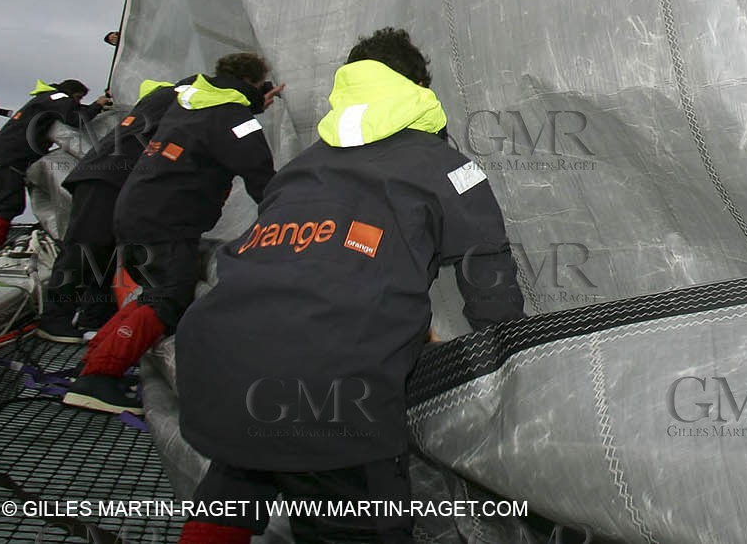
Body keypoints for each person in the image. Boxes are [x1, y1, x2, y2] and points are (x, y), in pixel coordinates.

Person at [172, 27, 525, 544]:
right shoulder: (443, 166)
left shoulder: (301, 167)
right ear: (418, 88)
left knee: (243, 469)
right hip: (335, 393)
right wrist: (508, 357)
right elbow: (486, 267)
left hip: (214, 359)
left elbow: (302, 262)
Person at [62, 54, 279, 414]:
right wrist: (286, 221)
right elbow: (260, 173)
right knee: (169, 298)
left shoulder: (186, 104)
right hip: (166, 222)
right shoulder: (235, 118)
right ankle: (98, 378)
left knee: (153, 294)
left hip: (133, 213)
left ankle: (95, 363)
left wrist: (251, 100)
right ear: (251, 82)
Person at [36, 77, 188, 343]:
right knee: (83, 248)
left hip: (112, 181)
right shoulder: (172, 101)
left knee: (105, 251)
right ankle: (54, 318)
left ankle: (94, 316)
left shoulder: (154, 104)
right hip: (104, 180)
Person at [0, 80, 112, 256]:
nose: (77, 103)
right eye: (78, 98)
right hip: (10, 158)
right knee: (8, 206)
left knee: (3, 206)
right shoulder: (58, 97)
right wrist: (98, 104)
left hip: (4, 157)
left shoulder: (46, 99)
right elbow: (75, 119)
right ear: (71, 93)